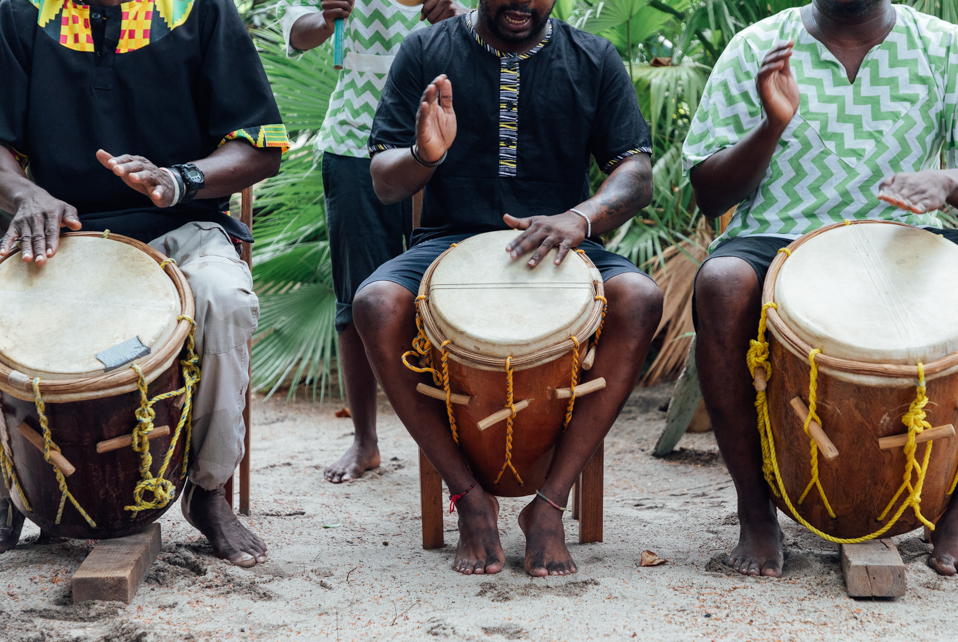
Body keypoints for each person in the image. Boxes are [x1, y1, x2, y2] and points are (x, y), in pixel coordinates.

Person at [684, 0, 958, 577]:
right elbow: (709, 193)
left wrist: (948, 179)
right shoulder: (759, 46)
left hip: (911, 238)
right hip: (779, 235)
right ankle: (756, 515)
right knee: (722, 282)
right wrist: (771, 125)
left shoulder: (946, 47)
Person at [353, 0, 663, 577]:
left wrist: (580, 217)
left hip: (563, 242)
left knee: (639, 298)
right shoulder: (426, 50)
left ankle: (549, 506)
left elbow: (637, 171)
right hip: (446, 243)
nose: (523, 2)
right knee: (376, 302)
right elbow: (384, 182)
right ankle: (470, 499)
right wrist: (423, 155)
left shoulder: (592, 56)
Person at [0, 0, 288, 567]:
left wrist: (179, 179)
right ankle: (10, 481)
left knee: (224, 299)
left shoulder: (200, 10)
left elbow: (259, 145)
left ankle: (208, 492)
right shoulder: (21, 12)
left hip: (179, 226)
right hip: (58, 230)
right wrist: (23, 192)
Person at [279, 0, 467, 484]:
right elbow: (296, 33)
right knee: (356, 294)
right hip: (354, 146)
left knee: (450, 293)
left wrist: (460, 16)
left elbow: (502, 33)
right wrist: (326, 20)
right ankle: (365, 441)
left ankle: (456, 436)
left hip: (444, 146)